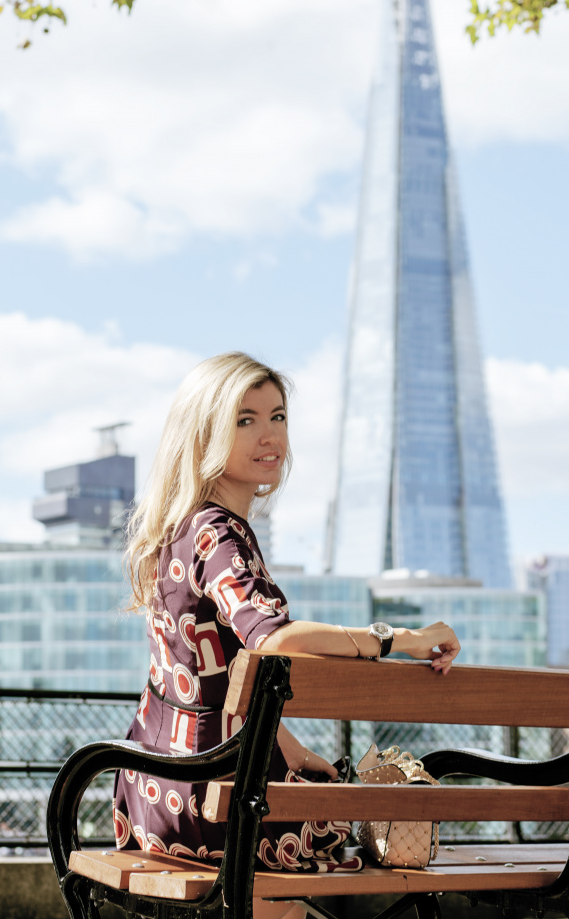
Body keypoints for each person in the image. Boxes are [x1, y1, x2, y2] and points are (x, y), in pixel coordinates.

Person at [115, 352, 460, 919]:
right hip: (214, 799)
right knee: (338, 822)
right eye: (244, 420)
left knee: (313, 815)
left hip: (156, 788)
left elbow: (216, 678)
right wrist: (399, 638)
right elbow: (269, 636)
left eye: (277, 416)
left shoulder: (182, 529)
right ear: (203, 436)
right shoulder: (218, 534)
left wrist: (294, 751)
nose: (269, 435)